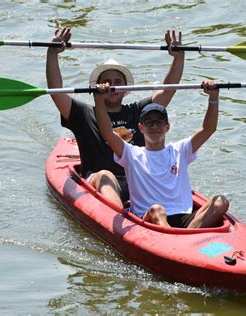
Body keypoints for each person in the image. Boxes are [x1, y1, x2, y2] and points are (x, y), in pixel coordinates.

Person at [46, 28, 185, 208]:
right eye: (107, 82)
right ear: (96, 87)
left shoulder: (139, 111)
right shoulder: (83, 113)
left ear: (126, 89)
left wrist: (178, 58)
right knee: (106, 175)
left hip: (136, 179)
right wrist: (52, 53)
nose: (112, 86)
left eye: (117, 82)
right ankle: (122, 220)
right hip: (99, 181)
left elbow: (168, 89)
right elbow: (56, 91)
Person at [94, 80, 229, 229]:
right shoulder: (131, 153)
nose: (155, 126)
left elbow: (208, 129)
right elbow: (107, 133)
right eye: (149, 122)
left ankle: (184, 239)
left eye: (159, 122)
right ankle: (175, 244)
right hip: (149, 218)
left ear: (167, 127)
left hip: (183, 215)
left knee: (220, 202)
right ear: (141, 127)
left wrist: (214, 97)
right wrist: (99, 99)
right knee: (157, 209)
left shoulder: (180, 150)